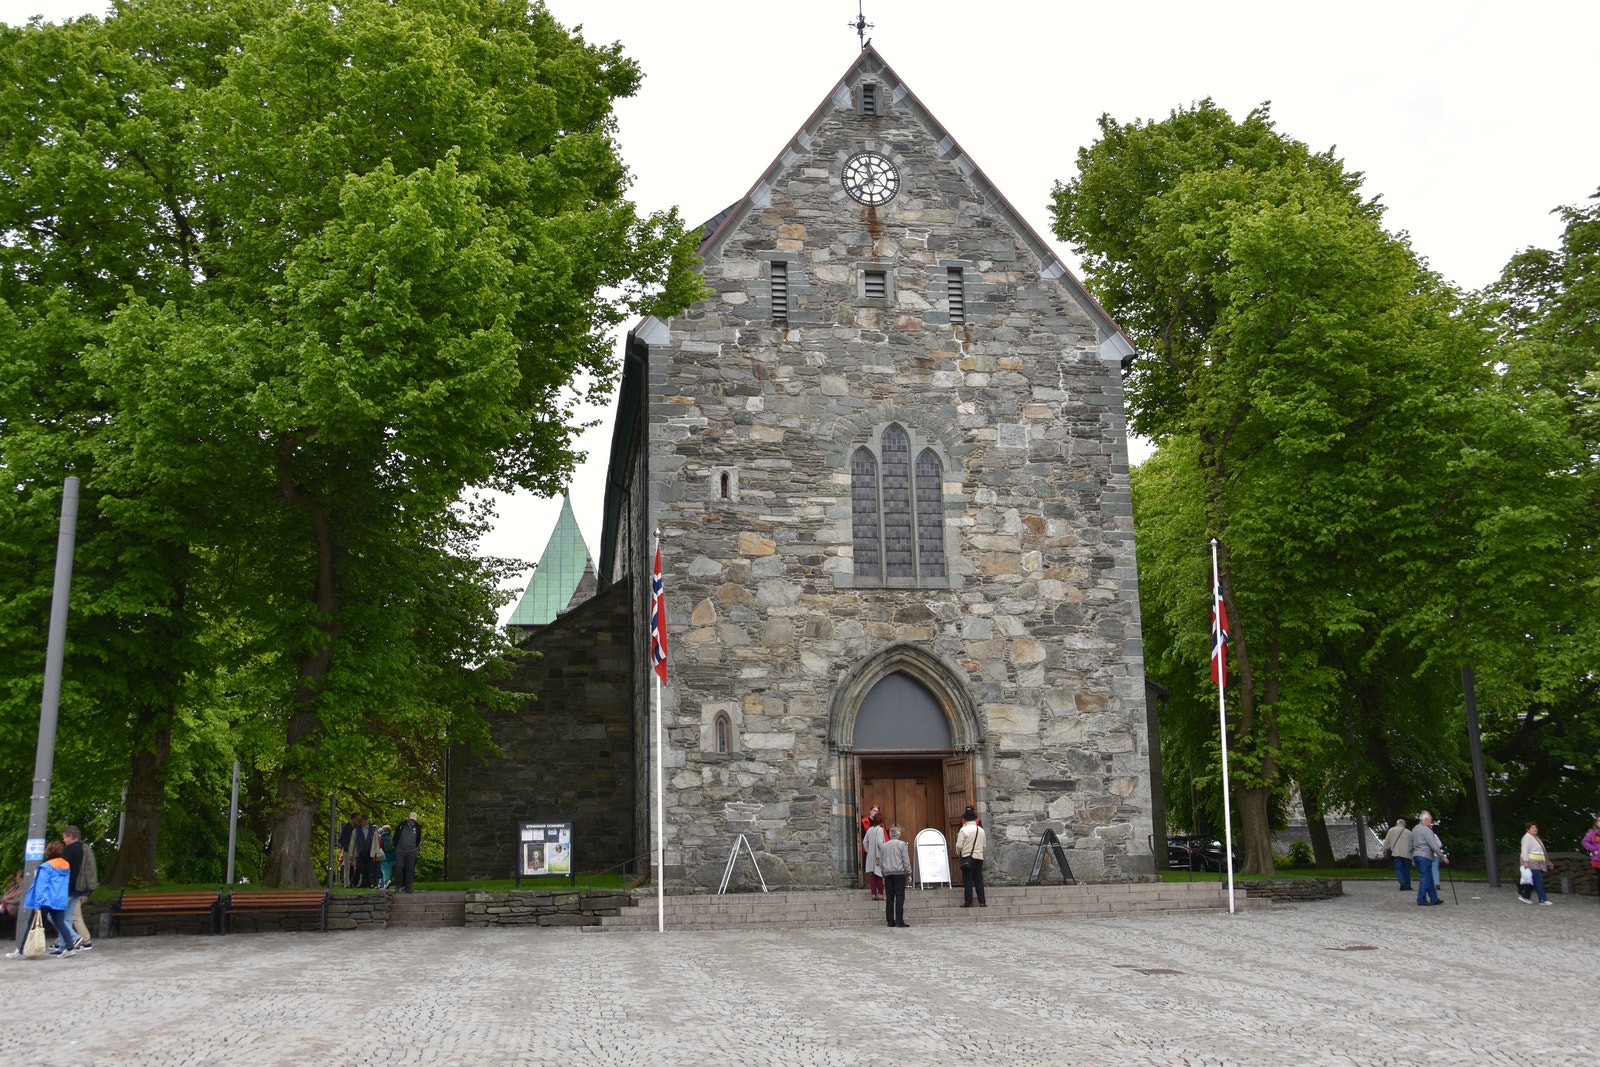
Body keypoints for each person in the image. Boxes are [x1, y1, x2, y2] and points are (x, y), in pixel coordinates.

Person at [19, 841, 83, 956]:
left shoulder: (46, 867)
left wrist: (37, 904)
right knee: (60, 923)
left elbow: (41, 887)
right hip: (59, 899)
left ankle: (23, 949)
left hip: (45, 900)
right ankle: (70, 947)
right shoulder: (66, 866)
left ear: (47, 852)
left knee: (32, 924)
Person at [61, 826, 94, 948]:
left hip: (69, 887)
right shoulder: (84, 848)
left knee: (63, 916)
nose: (64, 840)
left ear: (70, 836)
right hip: (80, 887)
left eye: (65, 837)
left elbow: (62, 867)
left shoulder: (70, 849)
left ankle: (81, 940)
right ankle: (61, 942)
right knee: (69, 917)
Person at [880, 825, 912, 928]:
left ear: (890, 835)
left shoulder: (884, 846)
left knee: (889, 897)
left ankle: (890, 921)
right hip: (899, 873)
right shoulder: (902, 844)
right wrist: (909, 873)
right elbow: (905, 859)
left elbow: (881, 861)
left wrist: (883, 874)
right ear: (898, 835)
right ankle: (899, 921)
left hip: (888, 873)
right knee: (900, 897)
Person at [1411, 810, 1445, 906]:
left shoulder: (1414, 829)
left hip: (1417, 855)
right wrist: (1442, 856)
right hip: (1425, 856)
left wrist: (1412, 857)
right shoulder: (1427, 830)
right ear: (1426, 819)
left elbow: (1410, 844)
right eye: (1430, 819)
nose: (1431, 821)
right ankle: (1421, 899)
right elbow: (1433, 845)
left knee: (1428, 877)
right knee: (1425, 878)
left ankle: (1434, 898)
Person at [955, 807, 986, 908]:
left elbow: (959, 846)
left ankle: (968, 902)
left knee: (968, 881)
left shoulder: (963, 830)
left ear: (965, 819)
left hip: (967, 857)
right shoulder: (981, 830)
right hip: (979, 857)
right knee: (978, 880)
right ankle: (982, 902)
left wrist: (958, 853)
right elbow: (984, 845)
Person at [1518, 821, 1553, 905]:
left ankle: (1525, 896)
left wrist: (1548, 862)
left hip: (1537, 862)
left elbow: (1542, 851)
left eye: (1535, 827)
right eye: (1532, 828)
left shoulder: (1535, 837)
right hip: (1532, 862)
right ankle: (1543, 899)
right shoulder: (1527, 837)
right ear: (1528, 830)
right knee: (1539, 879)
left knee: (1534, 881)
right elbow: (1524, 849)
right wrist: (1526, 861)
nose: (1535, 829)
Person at [393, 812, 423, 892]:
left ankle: (408, 887)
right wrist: (396, 847)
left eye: (413, 820)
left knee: (410, 869)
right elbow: (395, 836)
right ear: (408, 818)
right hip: (400, 850)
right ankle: (398, 885)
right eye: (411, 820)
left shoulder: (417, 827)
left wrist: (415, 847)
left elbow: (418, 838)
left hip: (411, 850)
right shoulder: (401, 825)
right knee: (399, 867)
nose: (412, 821)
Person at [1381, 819, 1413, 891]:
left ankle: (1402, 882)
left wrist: (1385, 850)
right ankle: (1408, 885)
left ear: (1397, 823)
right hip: (1407, 854)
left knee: (1399, 868)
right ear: (1404, 824)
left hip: (1396, 853)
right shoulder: (1409, 832)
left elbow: (1387, 841)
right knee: (1407, 870)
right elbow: (1412, 844)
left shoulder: (1391, 830)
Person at [863, 813, 888, 901]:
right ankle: (880, 893)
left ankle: (873, 893)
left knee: (873, 875)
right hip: (878, 855)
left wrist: (869, 850)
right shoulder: (880, 830)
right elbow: (879, 842)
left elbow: (865, 842)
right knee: (879, 875)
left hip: (871, 856)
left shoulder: (870, 829)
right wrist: (885, 848)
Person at [860, 805, 880, 892]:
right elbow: (864, 838)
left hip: (878, 850)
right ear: (870, 811)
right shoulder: (864, 821)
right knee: (873, 870)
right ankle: (874, 890)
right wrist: (869, 850)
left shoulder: (880, 823)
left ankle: (878, 890)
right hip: (870, 849)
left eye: (877, 811)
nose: (875, 812)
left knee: (878, 870)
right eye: (874, 810)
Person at [1581, 815, 1600, 899]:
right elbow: (1584, 842)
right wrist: (1594, 849)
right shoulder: (1593, 833)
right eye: (1599, 821)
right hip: (1598, 859)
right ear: (1596, 823)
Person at [378, 824, 395, 889]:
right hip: (392, 856)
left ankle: (386, 881)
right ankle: (386, 881)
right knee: (388, 869)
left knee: (384, 869)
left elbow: (379, 847)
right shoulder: (392, 837)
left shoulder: (381, 837)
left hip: (384, 855)